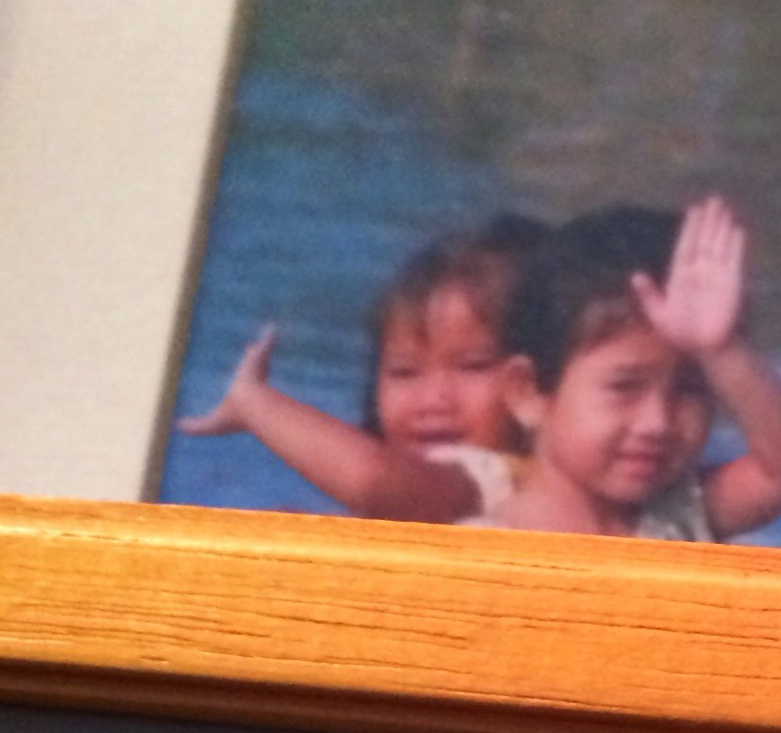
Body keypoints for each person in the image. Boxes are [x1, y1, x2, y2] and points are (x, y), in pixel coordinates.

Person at [466, 197, 781, 542]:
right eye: (624, 387)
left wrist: (723, 351)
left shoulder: (682, 515)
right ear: (527, 393)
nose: (657, 423)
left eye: (689, 390)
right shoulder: (478, 547)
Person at [176, 215, 550, 525]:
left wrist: (253, 403)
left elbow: (371, 480)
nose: (433, 400)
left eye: (473, 366)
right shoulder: (432, 494)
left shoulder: (503, 478)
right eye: (404, 372)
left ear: (534, 383)